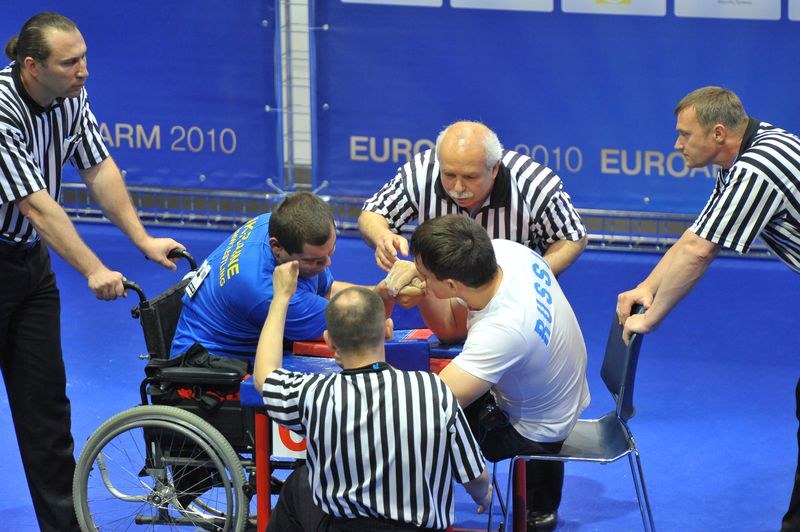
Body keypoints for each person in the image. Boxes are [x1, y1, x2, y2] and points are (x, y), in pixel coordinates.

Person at [0, 13, 184, 531]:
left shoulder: (70, 96)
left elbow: (98, 166)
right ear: (32, 67)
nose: (83, 70)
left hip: (27, 265)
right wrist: (93, 268)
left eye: (84, 57)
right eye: (70, 62)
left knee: (47, 412)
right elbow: (36, 207)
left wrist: (142, 239)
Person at [615, 86, 800, 531]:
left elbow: (700, 252)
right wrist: (645, 287)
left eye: (684, 134)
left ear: (718, 133)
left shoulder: (756, 169)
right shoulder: (749, 150)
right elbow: (696, 235)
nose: (676, 145)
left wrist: (653, 317)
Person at [253, 261, 492, 531]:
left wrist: (282, 297)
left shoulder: (313, 394)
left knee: (300, 484)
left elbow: (264, 376)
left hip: (345, 527)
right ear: (388, 330)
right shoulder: (435, 390)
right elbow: (476, 477)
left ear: (329, 341)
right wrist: (484, 495)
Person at [387, 214, 590, 531]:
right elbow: (454, 327)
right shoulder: (508, 252)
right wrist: (423, 281)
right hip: (562, 393)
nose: (421, 278)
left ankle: (396, 511)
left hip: (535, 434)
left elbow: (430, 402)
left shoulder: (502, 331)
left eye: (425, 275)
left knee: (413, 420)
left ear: (452, 285)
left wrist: (376, 381)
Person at [171, 191, 411, 358]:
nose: (327, 262)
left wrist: (381, 290)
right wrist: (382, 305)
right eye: (315, 260)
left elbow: (327, 290)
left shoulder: (273, 223)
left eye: (331, 251)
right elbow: (350, 327)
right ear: (278, 247)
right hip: (210, 370)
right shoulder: (265, 293)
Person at [359, 120, 588, 275]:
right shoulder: (421, 173)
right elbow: (373, 212)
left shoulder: (534, 185)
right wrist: (382, 236)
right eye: (449, 175)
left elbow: (572, 236)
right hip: (441, 292)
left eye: (470, 176)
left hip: (512, 299)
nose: (458, 188)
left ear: (495, 168)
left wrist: (533, 277)